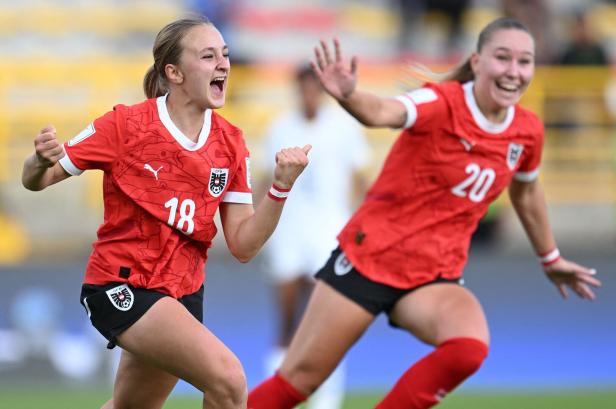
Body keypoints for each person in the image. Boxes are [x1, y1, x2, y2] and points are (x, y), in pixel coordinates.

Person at [247, 17, 602, 409]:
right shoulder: (441, 102)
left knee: (468, 349)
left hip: (433, 275)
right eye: (503, 58)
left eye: (525, 61)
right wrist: (349, 94)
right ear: (478, 61)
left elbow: (528, 188)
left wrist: (549, 257)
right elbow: (383, 112)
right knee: (298, 383)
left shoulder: (527, 130)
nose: (514, 71)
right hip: (370, 260)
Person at [21, 16, 310, 409]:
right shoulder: (125, 125)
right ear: (173, 72)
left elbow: (243, 244)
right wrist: (39, 161)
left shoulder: (230, 144)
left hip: (182, 295)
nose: (223, 64)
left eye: (224, 55)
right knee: (228, 380)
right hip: (122, 286)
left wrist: (280, 187)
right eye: (208, 56)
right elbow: (37, 179)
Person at [261, 63, 370, 409]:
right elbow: (265, 179)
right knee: (286, 321)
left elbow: (358, 180)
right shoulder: (281, 127)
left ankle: (326, 400)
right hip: (288, 232)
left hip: (328, 232)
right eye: (303, 88)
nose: (309, 94)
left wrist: (364, 227)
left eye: (314, 88)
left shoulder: (343, 127)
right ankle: (275, 395)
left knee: (325, 323)